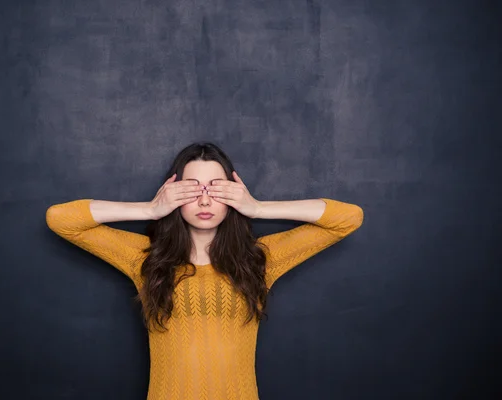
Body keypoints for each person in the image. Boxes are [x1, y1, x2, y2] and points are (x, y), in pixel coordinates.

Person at [45, 141, 364, 400]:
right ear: (174, 194)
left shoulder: (260, 259)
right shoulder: (145, 259)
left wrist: (257, 207)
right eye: (192, 189)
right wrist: (150, 209)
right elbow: (61, 219)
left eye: (217, 188)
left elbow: (348, 218)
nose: (205, 199)